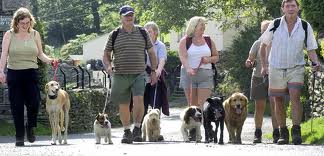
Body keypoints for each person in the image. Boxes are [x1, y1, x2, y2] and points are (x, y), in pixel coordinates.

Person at [260, 0, 321, 145]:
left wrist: (315, 62)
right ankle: (283, 132)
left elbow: (311, 49)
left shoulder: (305, 26)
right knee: (278, 99)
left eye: (293, 5)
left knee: (295, 96)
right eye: (287, 6)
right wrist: (264, 66)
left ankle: (296, 131)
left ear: (298, 8)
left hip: (296, 67)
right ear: (283, 9)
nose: (290, 8)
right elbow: (263, 45)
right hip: (275, 66)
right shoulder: (274, 24)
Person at [0, 7, 56, 146]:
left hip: (31, 72)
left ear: (31, 21)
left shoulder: (35, 34)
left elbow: (40, 54)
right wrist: (1, 71)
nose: (25, 26)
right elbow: (4, 54)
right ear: (16, 22)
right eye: (22, 23)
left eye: (27, 22)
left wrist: (50, 60)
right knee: (17, 105)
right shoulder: (9, 34)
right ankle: (19, 135)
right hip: (14, 73)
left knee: (35, 102)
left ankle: (30, 127)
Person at [102, 5, 158, 144]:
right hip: (120, 74)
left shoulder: (142, 32)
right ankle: (127, 131)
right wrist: (108, 66)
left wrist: (153, 71)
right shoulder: (114, 34)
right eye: (126, 15)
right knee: (124, 104)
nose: (129, 17)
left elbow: (151, 52)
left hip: (139, 73)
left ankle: (137, 128)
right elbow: (106, 54)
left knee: (139, 100)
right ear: (121, 17)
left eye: (131, 14)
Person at [178, 16, 219, 141]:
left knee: (201, 105)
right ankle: (194, 130)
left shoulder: (208, 40)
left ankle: (204, 130)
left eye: (204, 25)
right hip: (189, 74)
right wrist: (188, 68)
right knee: (192, 106)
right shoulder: (185, 41)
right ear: (194, 26)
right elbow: (183, 57)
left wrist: (208, 59)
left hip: (205, 74)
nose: (203, 27)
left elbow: (216, 56)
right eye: (201, 24)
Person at [245, 20, 279, 144]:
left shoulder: (278, 43)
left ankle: (277, 133)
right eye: (264, 29)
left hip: (276, 78)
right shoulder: (257, 43)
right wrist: (249, 62)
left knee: (276, 106)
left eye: (268, 28)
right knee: (259, 107)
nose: (266, 31)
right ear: (261, 31)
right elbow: (250, 59)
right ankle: (258, 133)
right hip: (259, 77)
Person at [142, 21, 169, 141]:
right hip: (143, 76)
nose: (147, 33)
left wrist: (157, 71)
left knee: (155, 104)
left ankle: (157, 132)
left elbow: (162, 59)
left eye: (150, 31)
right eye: (146, 31)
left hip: (156, 74)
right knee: (142, 104)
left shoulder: (160, 45)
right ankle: (141, 130)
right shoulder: (141, 45)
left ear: (156, 32)